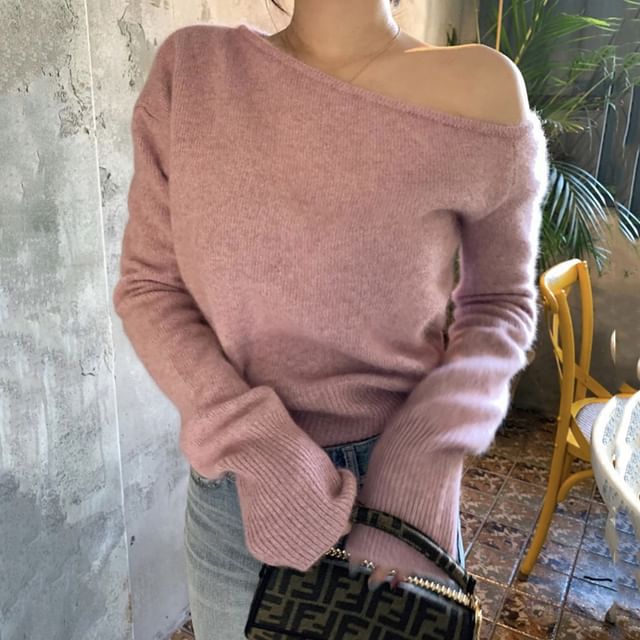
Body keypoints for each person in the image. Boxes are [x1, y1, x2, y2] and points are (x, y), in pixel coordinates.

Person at [112, 0, 550, 637]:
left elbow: (499, 306)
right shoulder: (194, 72)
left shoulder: (481, 89)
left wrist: (418, 463)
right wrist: (260, 449)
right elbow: (150, 287)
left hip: (402, 504)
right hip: (238, 499)